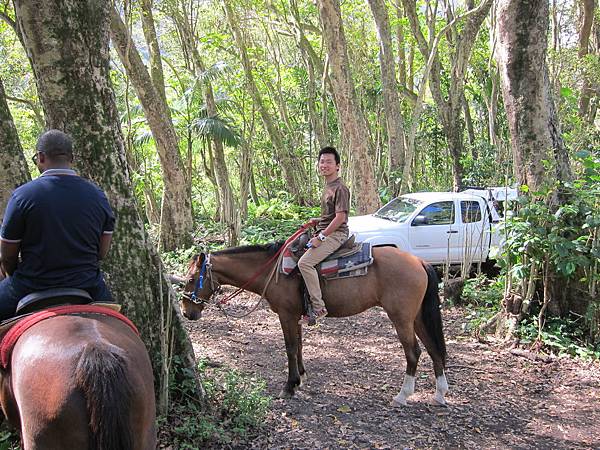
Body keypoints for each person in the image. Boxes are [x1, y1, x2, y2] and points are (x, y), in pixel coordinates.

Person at [0, 130, 115, 321]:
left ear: (41, 157)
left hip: (31, 284)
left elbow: (7, 255)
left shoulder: (22, 196)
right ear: (72, 158)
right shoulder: (97, 195)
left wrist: (15, 277)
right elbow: (102, 252)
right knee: (121, 325)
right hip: (87, 284)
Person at [298, 146, 350, 326]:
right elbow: (330, 215)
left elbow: (341, 217)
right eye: (322, 161)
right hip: (326, 230)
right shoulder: (328, 186)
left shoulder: (340, 188)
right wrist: (316, 220)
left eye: (329, 162)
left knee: (304, 263)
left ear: (338, 166)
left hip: (336, 234)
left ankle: (319, 308)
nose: (324, 165)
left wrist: (320, 238)